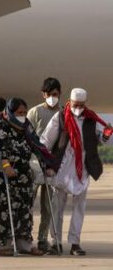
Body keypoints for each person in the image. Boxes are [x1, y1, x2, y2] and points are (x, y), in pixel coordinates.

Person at [0, 97, 52, 255]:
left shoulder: (26, 126)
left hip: (23, 174)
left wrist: (46, 163)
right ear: (10, 111)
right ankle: (2, 244)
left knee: (24, 208)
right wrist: (5, 165)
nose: (22, 115)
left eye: (24, 112)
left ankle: (24, 244)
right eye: (19, 112)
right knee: (4, 210)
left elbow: (36, 144)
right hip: (4, 175)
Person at [42, 88, 111, 256]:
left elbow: (98, 139)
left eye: (81, 105)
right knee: (57, 207)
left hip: (82, 169)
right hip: (62, 167)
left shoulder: (90, 119)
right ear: (70, 102)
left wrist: (107, 135)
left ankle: (75, 243)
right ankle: (55, 242)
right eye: (75, 104)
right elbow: (45, 141)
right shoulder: (60, 117)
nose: (78, 108)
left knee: (79, 208)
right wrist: (47, 165)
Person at [27, 77, 62, 253]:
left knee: (48, 206)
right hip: (34, 163)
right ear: (43, 94)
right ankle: (25, 237)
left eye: (55, 94)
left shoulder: (64, 113)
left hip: (52, 166)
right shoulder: (34, 112)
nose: (52, 97)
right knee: (28, 203)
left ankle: (42, 239)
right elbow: (26, 136)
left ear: (60, 94)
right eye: (49, 94)